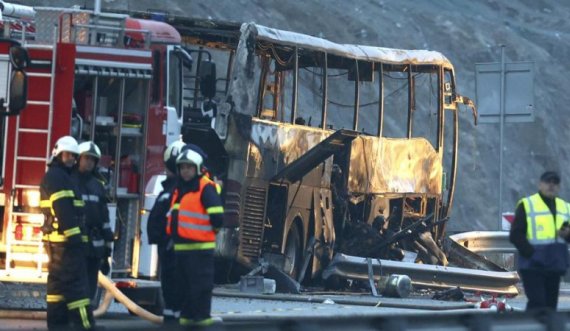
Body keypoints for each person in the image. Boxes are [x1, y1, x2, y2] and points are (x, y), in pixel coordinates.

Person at [40, 136, 95, 330]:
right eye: (68, 155)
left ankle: (57, 325)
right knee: (76, 288)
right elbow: (63, 208)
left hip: (57, 244)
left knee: (57, 288)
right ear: (58, 154)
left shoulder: (59, 175)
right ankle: (85, 326)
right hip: (65, 245)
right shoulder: (58, 177)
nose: (71, 159)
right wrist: (75, 238)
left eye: (74, 155)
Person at [166, 149, 224, 328]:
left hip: (200, 250)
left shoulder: (205, 188)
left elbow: (218, 217)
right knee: (183, 288)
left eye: (189, 167)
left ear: (197, 168)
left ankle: (202, 321)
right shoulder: (179, 189)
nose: (185, 171)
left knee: (200, 287)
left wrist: (206, 235)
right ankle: (186, 321)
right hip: (181, 250)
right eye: (182, 167)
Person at [509, 171, 570, 311]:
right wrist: (532, 254)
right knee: (538, 304)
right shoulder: (527, 204)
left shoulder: (565, 207)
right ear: (540, 184)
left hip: (554, 266)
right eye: (548, 182)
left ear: (559, 187)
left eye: (555, 183)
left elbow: (566, 235)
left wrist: (566, 235)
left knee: (550, 307)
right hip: (533, 266)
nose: (551, 185)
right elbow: (516, 235)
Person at [147, 140, 186, 321]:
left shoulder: (179, 191)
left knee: (175, 292)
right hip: (168, 249)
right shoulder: (172, 189)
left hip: (174, 251)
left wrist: (169, 241)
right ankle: (171, 322)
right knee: (170, 293)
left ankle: (173, 323)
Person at [72, 141, 114, 303]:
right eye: (86, 158)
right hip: (76, 245)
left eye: (92, 159)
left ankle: (86, 319)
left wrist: (106, 254)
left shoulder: (97, 186)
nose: (89, 162)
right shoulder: (69, 182)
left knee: (90, 287)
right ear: (78, 159)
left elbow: (104, 219)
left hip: (94, 247)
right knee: (76, 286)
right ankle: (77, 322)